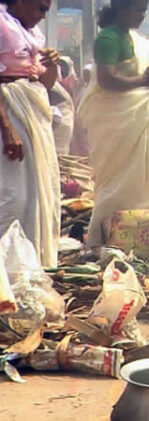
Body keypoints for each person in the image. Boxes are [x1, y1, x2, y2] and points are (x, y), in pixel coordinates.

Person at [80, 0, 149, 248]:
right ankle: (105, 240)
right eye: (137, 10)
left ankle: (143, 241)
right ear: (121, 9)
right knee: (117, 183)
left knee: (142, 180)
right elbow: (107, 81)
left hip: (137, 118)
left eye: (143, 11)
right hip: (118, 123)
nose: (141, 16)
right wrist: (143, 80)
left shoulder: (134, 39)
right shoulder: (108, 39)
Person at [0, 0, 60, 267]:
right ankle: (6, 269)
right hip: (9, 111)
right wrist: (7, 129)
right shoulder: (2, 25)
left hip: (34, 114)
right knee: (14, 195)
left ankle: (29, 266)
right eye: (39, 8)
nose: (42, 16)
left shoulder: (35, 35)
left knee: (38, 192)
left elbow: (45, 84)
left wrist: (53, 66)